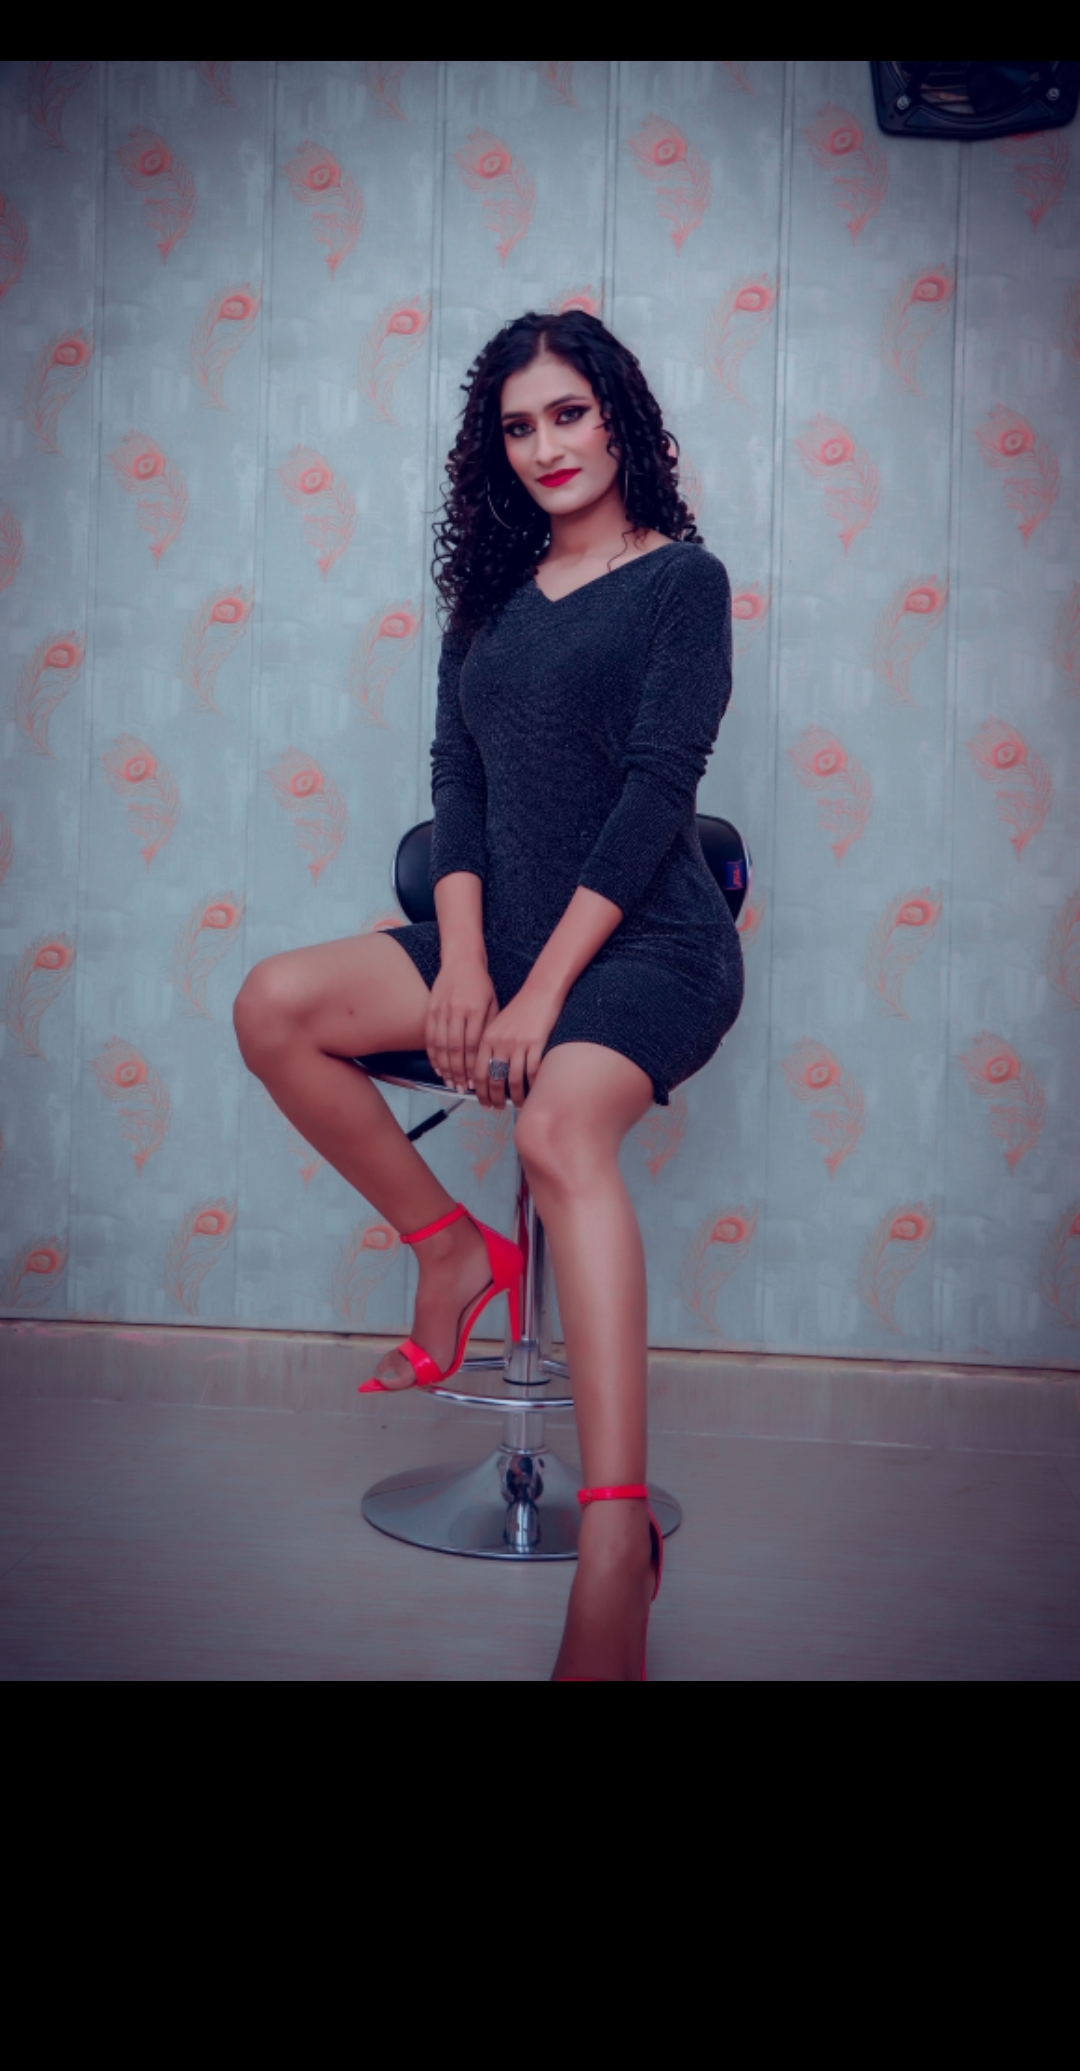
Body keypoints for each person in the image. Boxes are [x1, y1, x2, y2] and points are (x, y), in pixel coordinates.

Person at [234, 311, 742, 1680]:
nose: (546, 445)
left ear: (619, 418)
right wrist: (463, 964)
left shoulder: (682, 583)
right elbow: (456, 782)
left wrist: (541, 992)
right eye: (519, 426)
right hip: (500, 941)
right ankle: (451, 1250)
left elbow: (657, 798)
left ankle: (618, 1546)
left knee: (558, 1131)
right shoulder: (497, 597)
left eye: (569, 413)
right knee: (274, 1005)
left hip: (649, 947)